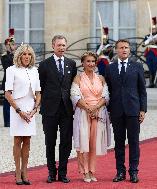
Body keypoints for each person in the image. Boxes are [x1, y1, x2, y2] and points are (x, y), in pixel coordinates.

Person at [105, 39, 147, 183]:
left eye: (126, 48)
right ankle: (120, 172)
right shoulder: (109, 68)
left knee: (134, 142)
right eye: (121, 48)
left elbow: (142, 90)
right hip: (116, 111)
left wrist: (143, 109)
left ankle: (134, 171)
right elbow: (108, 91)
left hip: (133, 110)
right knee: (119, 143)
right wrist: (108, 110)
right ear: (116, 50)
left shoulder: (137, 66)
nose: (124, 50)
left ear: (129, 50)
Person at [38, 35, 77, 183]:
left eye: (63, 45)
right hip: (49, 110)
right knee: (50, 142)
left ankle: (62, 173)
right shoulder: (44, 65)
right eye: (58, 45)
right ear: (53, 46)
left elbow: (73, 86)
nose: (61, 48)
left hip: (67, 109)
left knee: (66, 142)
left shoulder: (71, 64)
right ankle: (51, 173)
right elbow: (39, 87)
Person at [70, 51, 111, 182]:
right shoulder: (78, 78)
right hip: (83, 112)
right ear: (83, 63)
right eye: (88, 61)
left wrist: (95, 108)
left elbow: (106, 96)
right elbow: (75, 96)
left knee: (94, 143)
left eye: (93, 61)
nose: (91, 64)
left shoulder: (101, 78)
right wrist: (88, 108)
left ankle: (92, 171)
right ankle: (84, 171)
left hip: (98, 113)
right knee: (83, 143)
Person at [5, 44, 41, 185]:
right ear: (19, 55)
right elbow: (7, 93)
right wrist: (19, 111)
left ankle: (25, 171)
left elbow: (38, 92)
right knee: (17, 140)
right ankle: (17, 171)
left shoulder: (35, 71)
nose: (27, 57)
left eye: (29, 54)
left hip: (30, 108)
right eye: (24, 54)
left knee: (27, 141)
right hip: (17, 109)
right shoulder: (11, 70)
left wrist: (35, 108)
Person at [143, 17, 157, 88]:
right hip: (148, 53)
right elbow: (143, 45)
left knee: (155, 68)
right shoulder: (147, 36)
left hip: (155, 53)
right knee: (150, 68)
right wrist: (148, 40)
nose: (153, 30)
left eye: (154, 29)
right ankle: (150, 83)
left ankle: (154, 83)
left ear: (156, 29)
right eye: (152, 29)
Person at [1, 28, 17, 127]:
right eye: (12, 45)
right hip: (8, 81)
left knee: (16, 101)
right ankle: (7, 121)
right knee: (7, 102)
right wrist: (14, 56)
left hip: (16, 82)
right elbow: (8, 68)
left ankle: (14, 120)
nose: (14, 46)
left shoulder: (16, 56)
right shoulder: (4, 57)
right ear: (7, 46)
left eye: (14, 44)